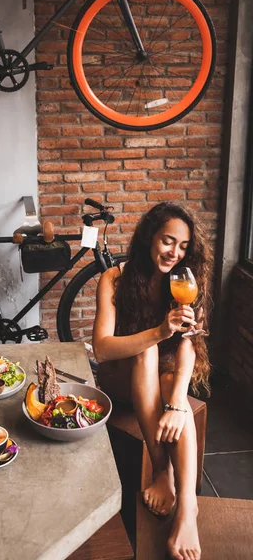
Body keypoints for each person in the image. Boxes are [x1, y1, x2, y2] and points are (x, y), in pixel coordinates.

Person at [93, 202, 212, 560]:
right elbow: (101, 348)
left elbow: (189, 346)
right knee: (149, 349)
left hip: (162, 375)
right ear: (149, 237)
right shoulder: (114, 278)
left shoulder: (186, 281)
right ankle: (162, 469)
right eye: (167, 241)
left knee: (172, 378)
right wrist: (159, 331)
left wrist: (177, 406)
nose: (174, 253)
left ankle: (187, 506)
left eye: (183, 246)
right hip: (119, 377)